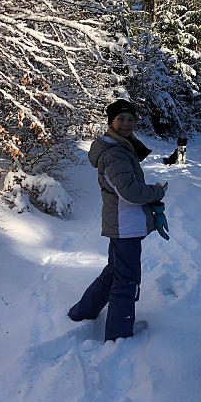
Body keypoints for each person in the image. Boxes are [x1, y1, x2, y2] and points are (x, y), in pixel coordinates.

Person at [68, 99, 169, 342]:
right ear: (111, 121)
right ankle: (119, 336)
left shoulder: (120, 147)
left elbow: (126, 187)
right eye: (120, 119)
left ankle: (82, 312)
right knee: (127, 280)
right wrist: (157, 192)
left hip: (123, 222)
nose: (126, 124)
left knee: (115, 270)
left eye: (130, 119)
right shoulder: (115, 153)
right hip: (125, 224)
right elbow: (130, 192)